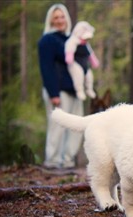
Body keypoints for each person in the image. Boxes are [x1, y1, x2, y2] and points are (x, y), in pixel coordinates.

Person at [38, 4, 95, 169]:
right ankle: (53, 162)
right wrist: (53, 93)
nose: (59, 20)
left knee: (76, 127)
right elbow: (46, 68)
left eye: (62, 17)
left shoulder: (72, 39)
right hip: (58, 91)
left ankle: (68, 161)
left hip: (75, 91)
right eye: (56, 17)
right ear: (51, 20)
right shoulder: (47, 40)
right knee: (57, 127)